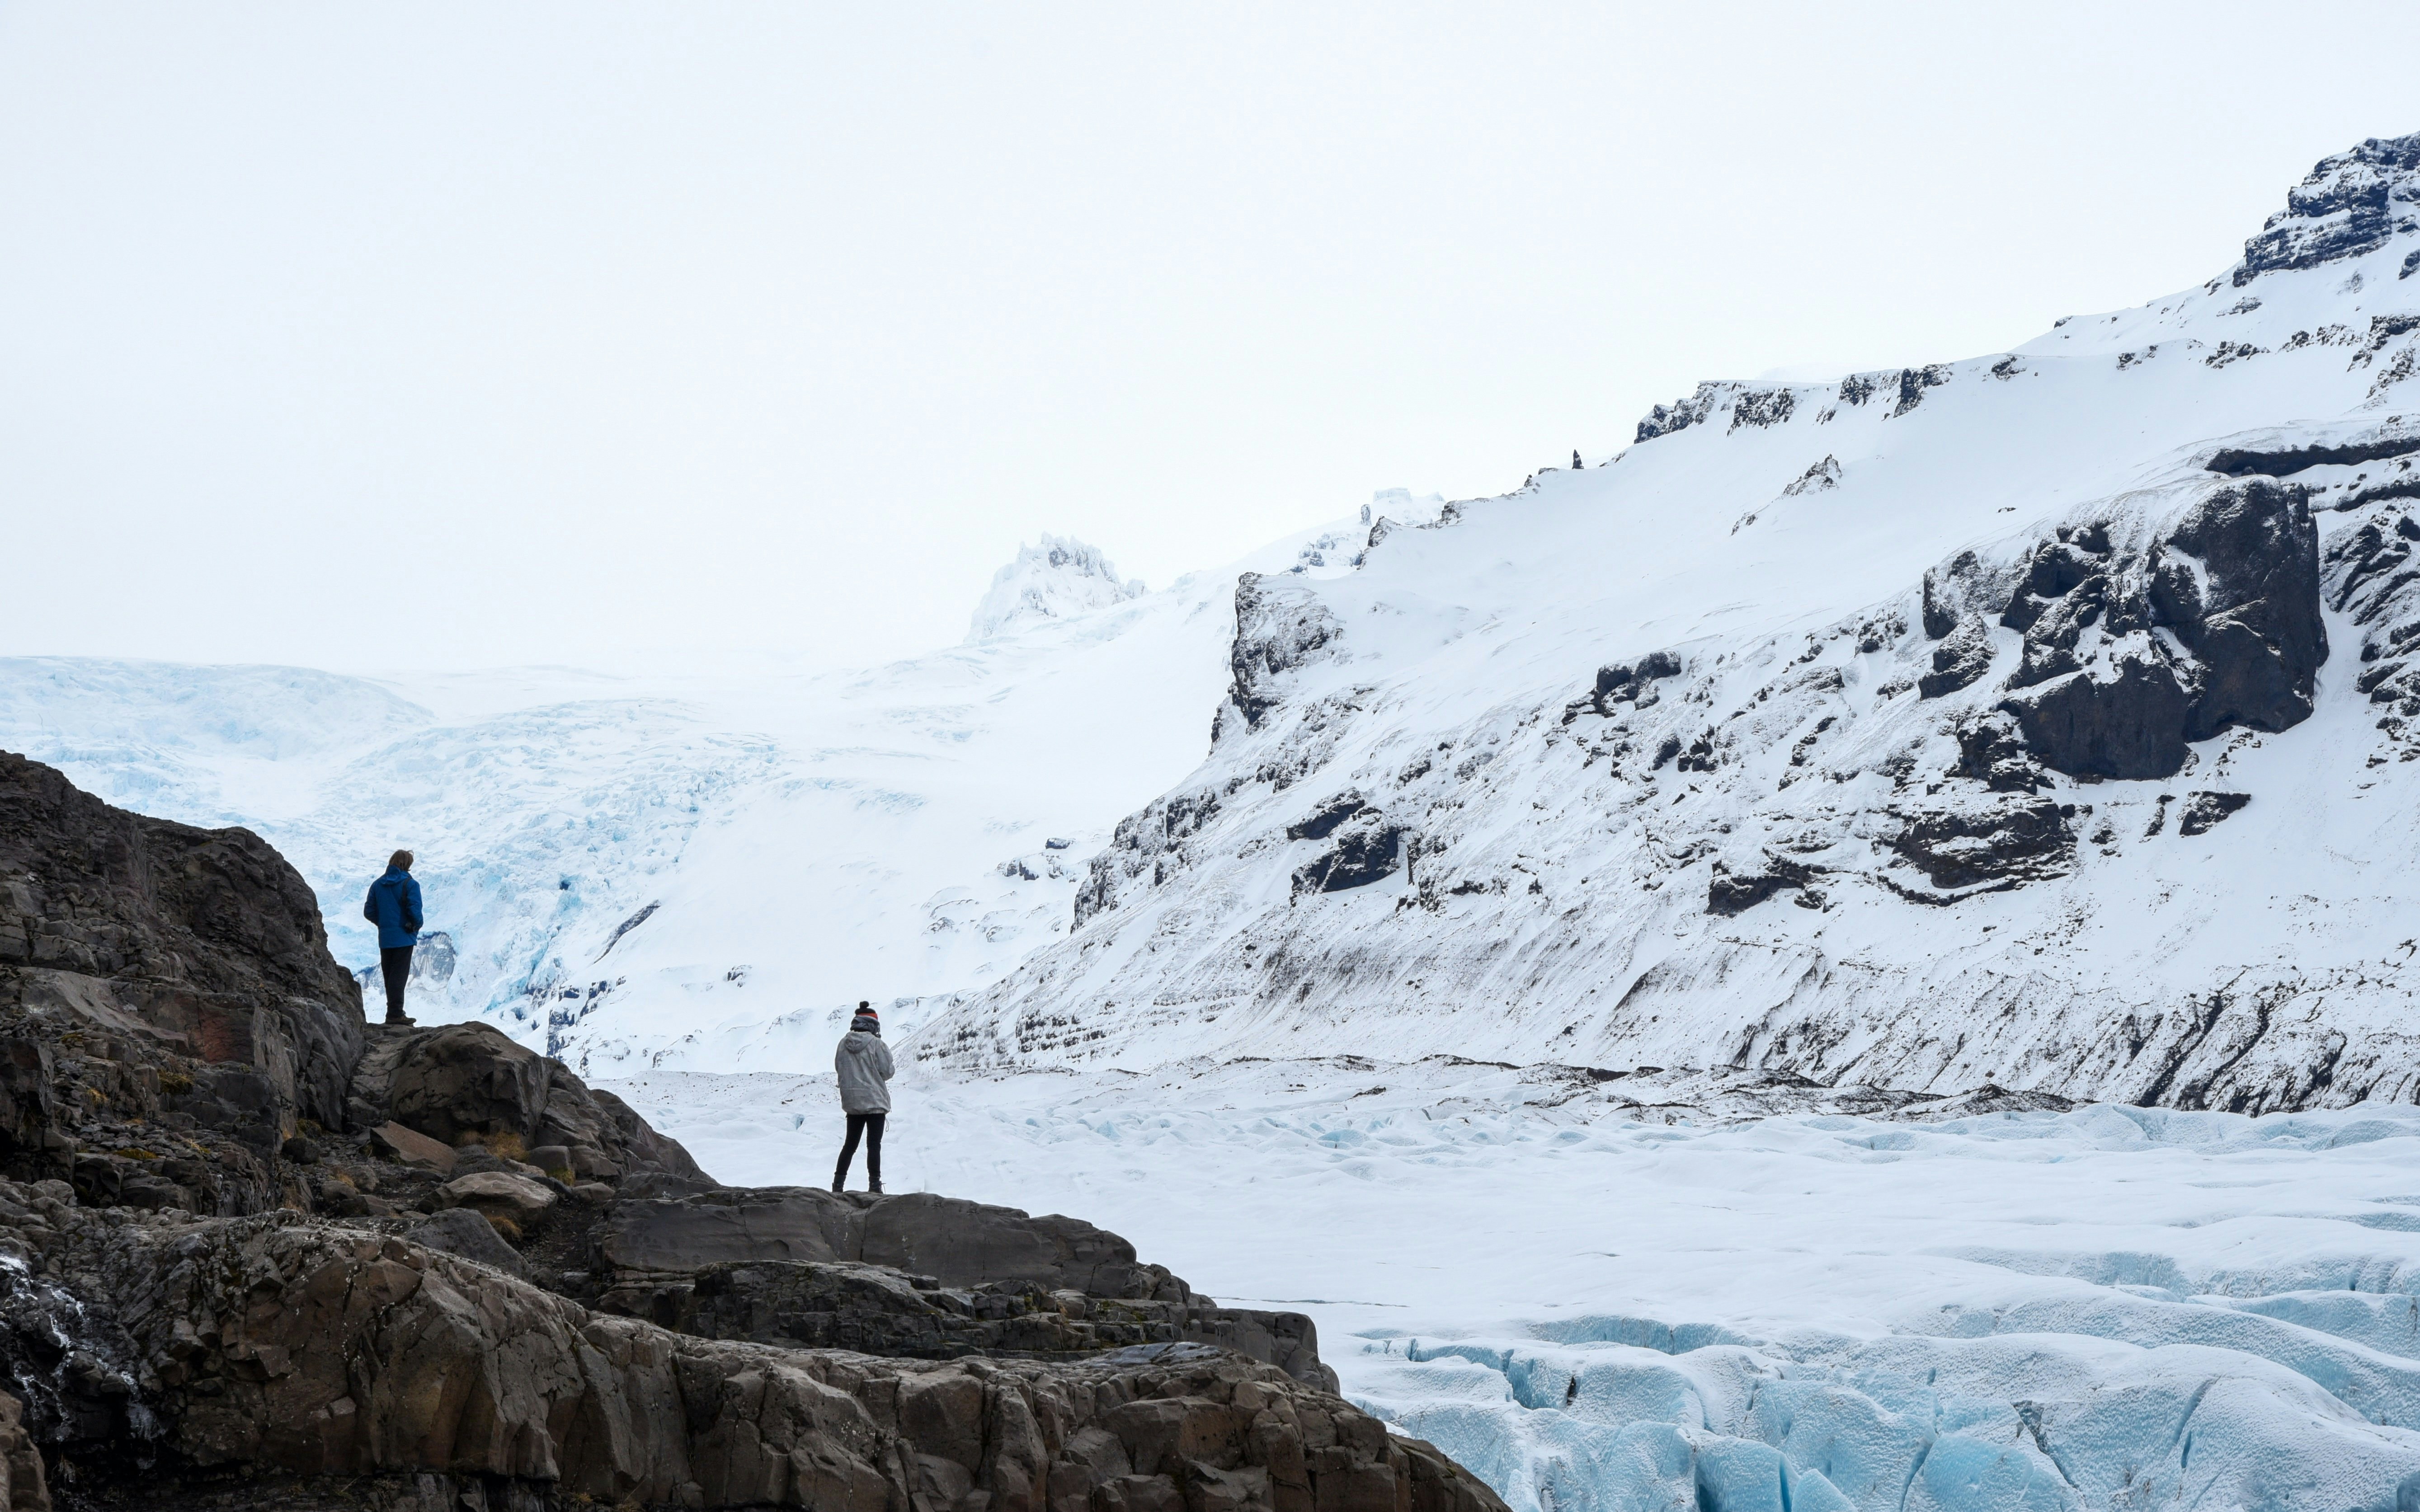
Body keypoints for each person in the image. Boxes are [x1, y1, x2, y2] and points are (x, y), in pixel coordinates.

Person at [833, 1001, 894, 1194]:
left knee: (850, 1145)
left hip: (852, 1102)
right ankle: (874, 1187)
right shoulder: (877, 1044)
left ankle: (838, 1186)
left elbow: (839, 1068)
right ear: (873, 1024)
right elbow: (887, 1072)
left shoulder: (843, 1044)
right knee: (874, 1145)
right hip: (875, 1102)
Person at [362, 850, 424, 1026]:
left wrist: (384, 924)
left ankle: (393, 1013)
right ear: (408, 864)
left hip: (386, 938)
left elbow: (369, 911)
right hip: (404, 937)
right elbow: (415, 911)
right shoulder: (410, 885)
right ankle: (396, 1014)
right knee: (399, 976)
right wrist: (415, 925)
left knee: (389, 975)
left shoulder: (377, 885)